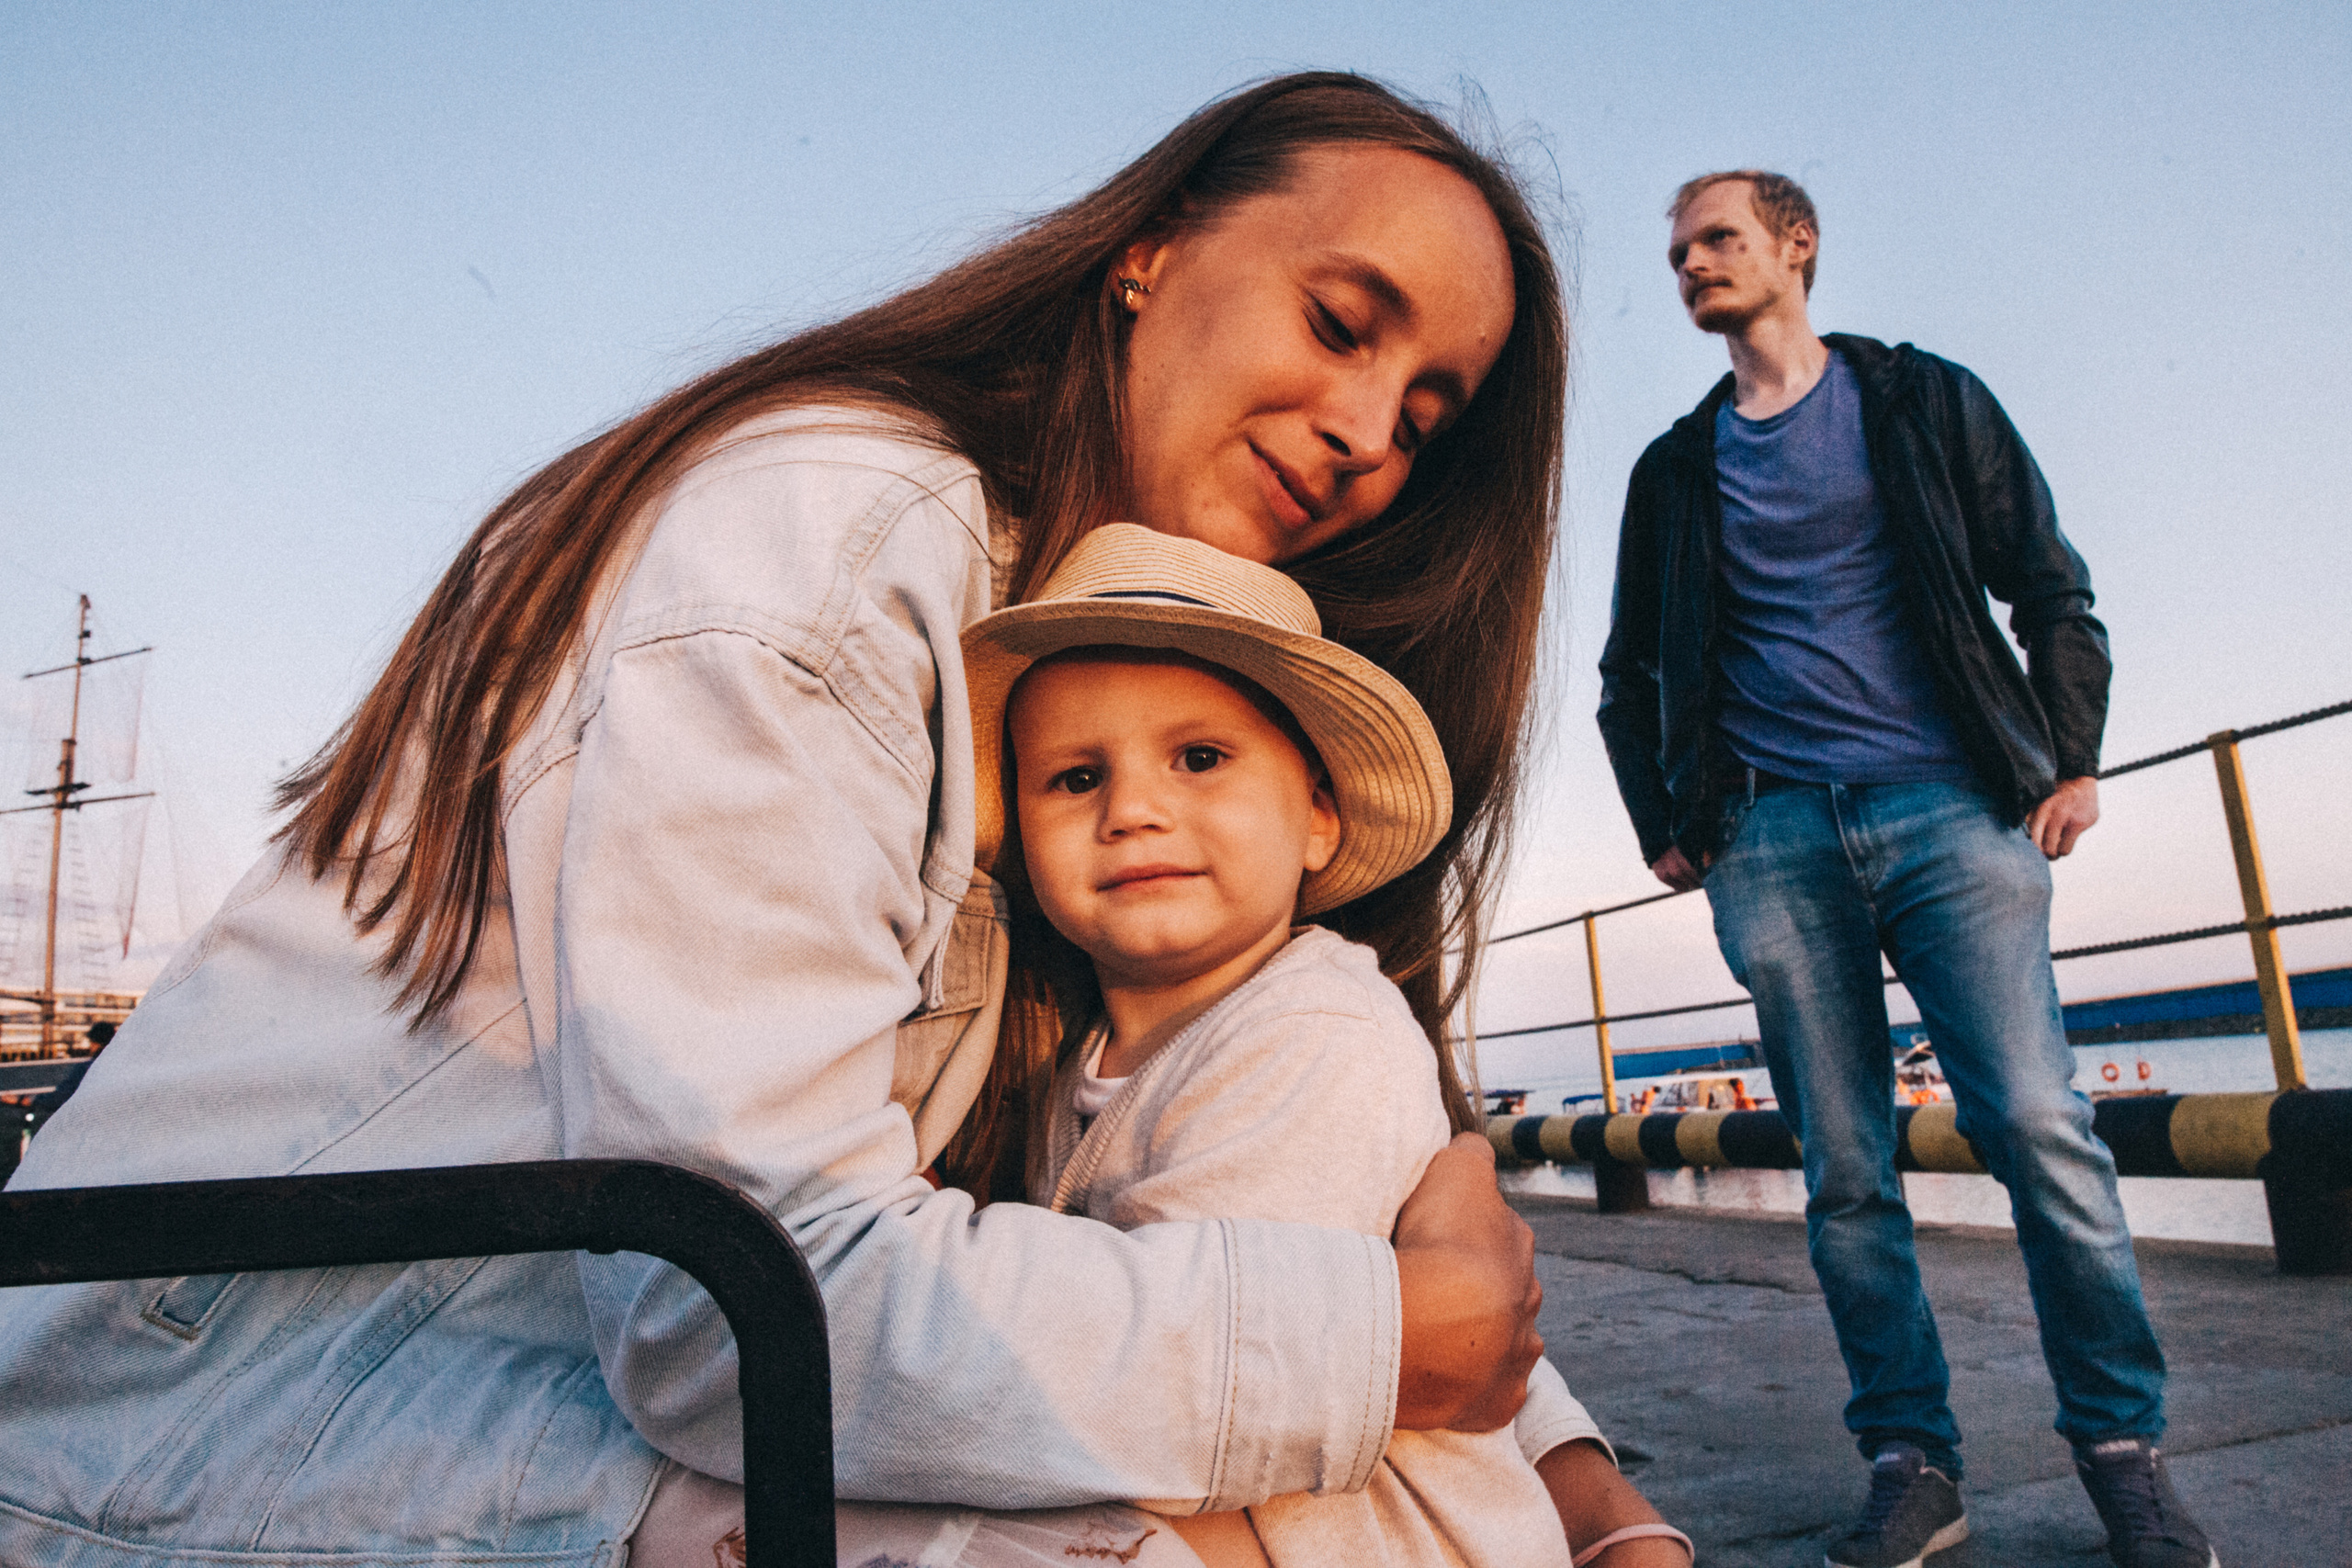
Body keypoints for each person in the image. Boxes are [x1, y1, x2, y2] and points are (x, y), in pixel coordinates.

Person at [0, 74, 1569, 1568]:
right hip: (204, 1399)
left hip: (483, 1366)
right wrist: (1381, 1340)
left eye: (1424, 416)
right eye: (1341, 324)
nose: (1370, 435)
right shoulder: (834, 541)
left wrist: (1572, 1466)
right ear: (1147, 257)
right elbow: (729, 1303)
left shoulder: (1067, 670)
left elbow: (1263, 1139)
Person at [1595, 170, 2218, 1568]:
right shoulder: (1675, 471)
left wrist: (2066, 752)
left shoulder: (1926, 402)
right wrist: (1667, 821)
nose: (1693, 264)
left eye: (1719, 240)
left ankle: (2125, 1455)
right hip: (1776, 837)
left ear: (1796, 247)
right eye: (1680, 251)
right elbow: (1627, 672)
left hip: (1949, 811)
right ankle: (1911, 1460)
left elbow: (2048, 580)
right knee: (1846, 1174)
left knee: (2042, 1129)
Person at [930, 524, 1692, 1568]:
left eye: (1199, 758)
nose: (1134, 810)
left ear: (1319, 820)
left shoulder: (1314, 1032)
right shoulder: (1083, 1062)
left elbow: (1192, 1389)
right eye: (1073, 778)